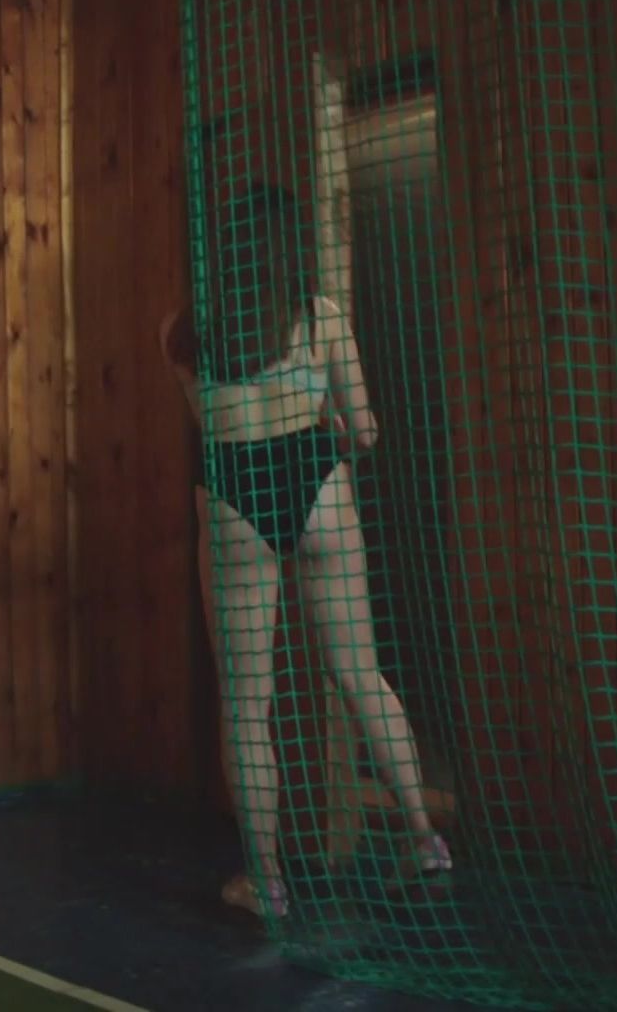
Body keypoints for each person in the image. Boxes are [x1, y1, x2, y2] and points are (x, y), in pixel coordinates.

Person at [159, 182, 452, 920]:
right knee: (360, 675)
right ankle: (425, 840)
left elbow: (211, 424)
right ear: (290, 249)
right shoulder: (321, 317)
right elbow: (365, 432)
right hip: (318, 488)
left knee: (246, 705)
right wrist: (325, 422)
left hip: (235, 501)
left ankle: (267, 882)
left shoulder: (185, 330)